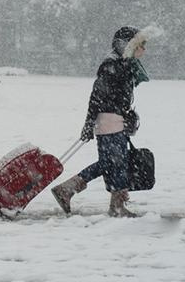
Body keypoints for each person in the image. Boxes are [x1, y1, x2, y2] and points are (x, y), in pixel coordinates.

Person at [51, 26, 153, 217]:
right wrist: (89, 123)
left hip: (114, 121)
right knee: (114, 162)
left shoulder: (123, 65)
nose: (144, 50)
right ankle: (112, 205)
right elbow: (97, 96)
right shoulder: (112, 66)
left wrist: (127, 114)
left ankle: (72, 191)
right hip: (108, 121)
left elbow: (118, 98)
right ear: (127, 46)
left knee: (112, 162)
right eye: (141, 45)